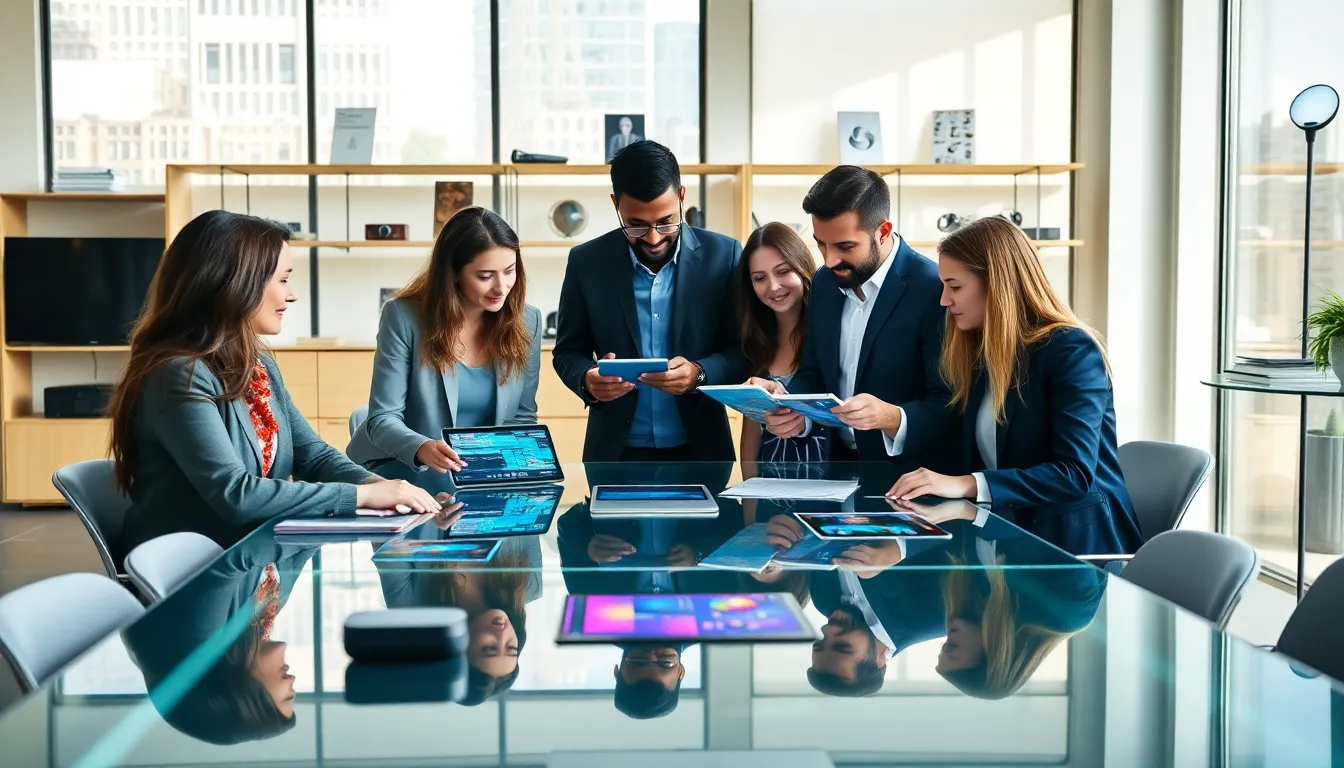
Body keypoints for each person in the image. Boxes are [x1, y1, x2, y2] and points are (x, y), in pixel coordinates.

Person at [109, 211, 441, 556]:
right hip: (190, 569)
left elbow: (313, 456)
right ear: (232, 282)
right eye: (282, 280)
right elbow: (237, 494)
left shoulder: (259, 365)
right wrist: (363, 496)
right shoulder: (177, 374)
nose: (292, 295)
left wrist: (384, 488)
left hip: (251, 554)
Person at [885, 215, 1143, 556]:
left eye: (955, 286)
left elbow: (1073, 474)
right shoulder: (984, 352)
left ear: (997, 284)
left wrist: (964, 484)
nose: (944, 300)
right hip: (1008, 535)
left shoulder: (1072, 351)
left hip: (1075, 549)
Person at [552, 140, 748, 462]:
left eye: (666, 221)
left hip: (702, 450)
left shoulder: (724, 256)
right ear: (616, 204)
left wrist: (700, 373)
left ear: (681, 196)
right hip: (615, 453)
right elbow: (567, 352)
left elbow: (742, 350)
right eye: (637, 225)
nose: (654, 238)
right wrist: (587, 380)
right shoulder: (586, 262)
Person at [759, 165, 952, 467]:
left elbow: (950, 402)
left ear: (883, 232)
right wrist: (794, 410)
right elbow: (813, 373)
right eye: (821, 244)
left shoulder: (933, 289)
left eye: (845, 246)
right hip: (839, 470)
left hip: (912, 476)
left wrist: (892, 417)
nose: (829, 260)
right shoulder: (824, 282)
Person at [347, 207, 543, 472]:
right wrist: (422, 448)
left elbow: (521, 418)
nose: (501, 286)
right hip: (402, 466)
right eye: (485, 276)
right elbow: (382, 419)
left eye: (509, 271)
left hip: (476, 472)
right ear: (453, 273)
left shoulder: (528, 322)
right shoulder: (403, 317)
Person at [735, 222, 827, 465]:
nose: (773, 287)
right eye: (759, 278)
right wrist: (750, 489)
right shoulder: (752, 341)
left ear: (801, 266)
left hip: (834, 477)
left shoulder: (831, 330)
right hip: (771, 479)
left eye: (783, 271)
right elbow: (751, 438)